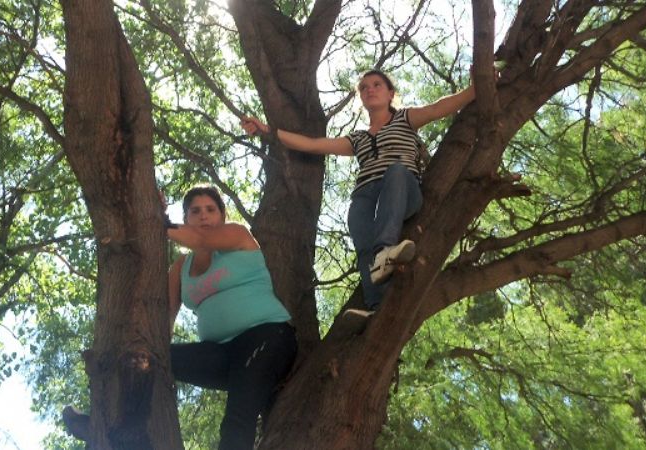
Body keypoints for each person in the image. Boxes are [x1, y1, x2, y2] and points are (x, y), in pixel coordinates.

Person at [64, 185, 297, 450]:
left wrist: (156, 220)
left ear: (222, 215)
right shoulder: (180, 268)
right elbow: (163, 322)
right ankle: (104, 421)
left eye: (210, 210)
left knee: (237, 420)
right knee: (145, 359)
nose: (203, 216)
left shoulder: (238, 236)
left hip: (266, 338)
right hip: (221, 354)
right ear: (186, 218)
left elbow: (200, 239)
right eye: (195, 211)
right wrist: (147, 355)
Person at [241, 69, 476, 310]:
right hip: (366, 195)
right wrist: (267, 131)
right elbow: (313, 145)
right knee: (359, 228)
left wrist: (474, 89)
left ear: (390, 93)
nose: (369, 90)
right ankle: (375, 304)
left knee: (395, 172)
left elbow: (439, 108)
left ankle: (385, 249)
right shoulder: (358, 139)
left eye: (376, 85)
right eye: (364, 88)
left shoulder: (405, 118)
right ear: (361, 98)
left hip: (403, 190)